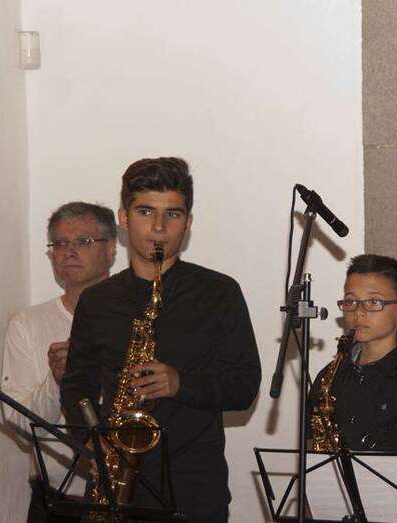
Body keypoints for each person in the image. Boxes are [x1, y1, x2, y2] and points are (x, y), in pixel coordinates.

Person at [60, 157, 261, 523]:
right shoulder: (97, 301)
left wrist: (180, 383)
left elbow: (245, 386)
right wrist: (90, 442)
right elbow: (76, 388)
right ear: (124, 219)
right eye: (145, 212)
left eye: (173, 214)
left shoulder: (220, 293)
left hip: (194, 492)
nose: (159, 227)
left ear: (189, 222)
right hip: (115, 488)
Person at [2, 202, 117, 523]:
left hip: (128, 498)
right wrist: (56, 380)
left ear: (111, 250)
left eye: (83, 241)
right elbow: (20, 427)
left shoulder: (136, 317)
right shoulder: (27, 324)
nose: (69, 251)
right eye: (60, 243)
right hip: (57, 504)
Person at [307, 254, 397, 481]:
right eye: (350, 301)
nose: (359, 312)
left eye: (374, 302)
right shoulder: (329, 376)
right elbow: (311, 458)